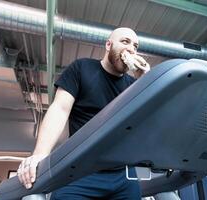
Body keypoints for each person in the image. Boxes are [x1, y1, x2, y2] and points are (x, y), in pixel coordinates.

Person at [17, 27, 150, 200]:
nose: (131, 49)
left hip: (122, 174)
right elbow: (60, 109)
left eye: (135, 46)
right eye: (125, 42)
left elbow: (147, 124)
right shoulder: (82, 68)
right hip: (81, 170)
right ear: (108, 45)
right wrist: (40, 154)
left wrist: (146, 82)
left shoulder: (135, 85)